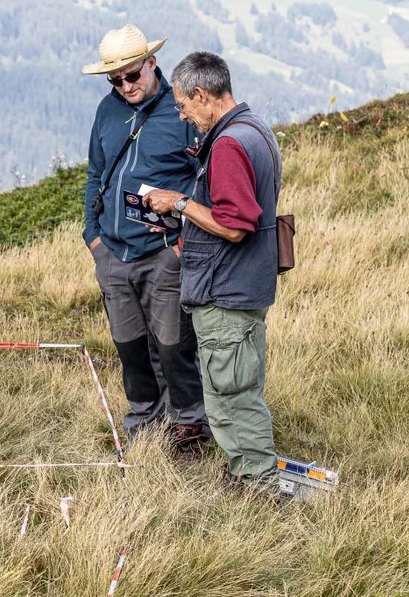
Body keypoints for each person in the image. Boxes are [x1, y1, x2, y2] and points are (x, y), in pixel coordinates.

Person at [145, 52, 282, 494]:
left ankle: (256, 486)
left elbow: (236, 224)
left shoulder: (226, 145)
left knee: (230, 397)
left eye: (184, 106)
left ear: (202, 95)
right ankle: (247, 473)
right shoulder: (255, 128)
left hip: (226, 292)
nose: (183, 115)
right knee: (236, 388)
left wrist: (180, 204)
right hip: (244, 285)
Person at [82, 24, 211, 461]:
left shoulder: (182, 112)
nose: (126, 86)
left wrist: (179, 242)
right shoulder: (106, 111)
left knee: (174, 345)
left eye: (132, 75)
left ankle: (189, 424)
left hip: (164, 255)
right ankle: (144, 419)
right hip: (113, 253)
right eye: (116, 80)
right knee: (129, 345)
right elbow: (95, 175)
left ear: (152, 63)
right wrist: (93, 238)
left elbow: (207, 179)